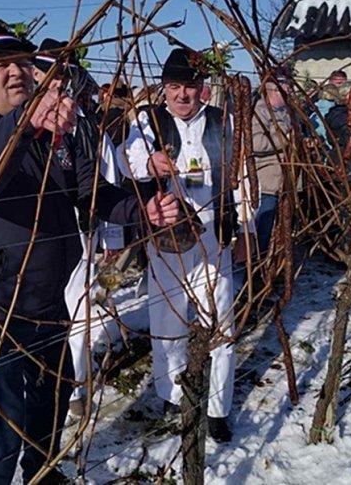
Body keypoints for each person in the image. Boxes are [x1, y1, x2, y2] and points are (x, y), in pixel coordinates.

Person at [0, 18, 178, 484]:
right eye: (0, 64)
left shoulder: (58, 132)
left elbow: (90, 192)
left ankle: (42, 473)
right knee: (2, 422)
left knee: (52, 399)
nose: (16, 71)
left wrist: (142, 208)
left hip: (45, 300)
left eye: (21, 61)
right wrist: (24, 125)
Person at [121, 48, 253, 443]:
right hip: (167, 245)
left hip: (214, 242)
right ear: (164, 89)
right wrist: (149, 164)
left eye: (190, 87)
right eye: (174, 87)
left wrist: (245, 228)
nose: (182, 95)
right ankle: (173, 396)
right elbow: (128, 157)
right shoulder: (150, 122)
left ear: (204, 90)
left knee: (222, 328)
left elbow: (243, 175)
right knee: (167, 325)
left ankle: (217, 409)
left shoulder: (223, 122)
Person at [32, 38, 125, 417]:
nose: (58, 86)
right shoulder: (19, 125)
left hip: (81, 234)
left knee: (78, 310)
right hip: (32, 240)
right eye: (47, 76)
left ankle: (73, 387)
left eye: (64, 77)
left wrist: (113, 237)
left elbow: (107, 179)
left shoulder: (88, 128)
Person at [252, 74, 291, 256]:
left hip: (282, 181)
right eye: (286, 89)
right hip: (265, 181)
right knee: (262, 229)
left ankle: (268, 263)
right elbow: (255, 143)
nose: (290, 92)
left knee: (275, 229)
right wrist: (285, 139)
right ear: (272, 91)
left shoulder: (284, 111)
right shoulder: (259, 111)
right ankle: (253, 268)